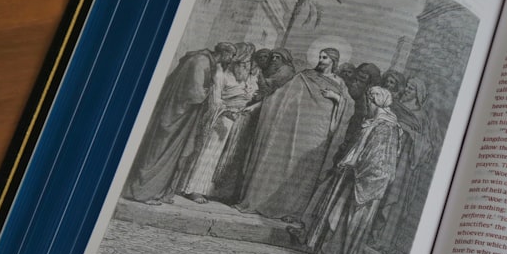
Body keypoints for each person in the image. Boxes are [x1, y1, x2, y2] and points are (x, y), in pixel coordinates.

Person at [294, 86, 401, 254]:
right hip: (355, 178)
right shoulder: (377, 122)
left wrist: (355, 168)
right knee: (338, 218)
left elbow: (379, 160)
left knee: (349, 223)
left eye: (367, 102)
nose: (366, 106)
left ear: (374, 101)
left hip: (366, 183)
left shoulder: (385, 126)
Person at [235, 47, 353, 220]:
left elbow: (348, 106)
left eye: (325, 58)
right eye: (320, 57)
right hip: (298, 128)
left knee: (306, 171)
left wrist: (337, 98)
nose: (321, 60)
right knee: (285, 166)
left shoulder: (340, 83)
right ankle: (270, 203)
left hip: (318, 133)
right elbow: (281, 96)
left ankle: (294, 211)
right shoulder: (305, 76)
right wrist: (256, 107)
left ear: (334, 61)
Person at [123, 42, 236, 205]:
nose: (231, 60)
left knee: (173, 154)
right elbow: (195, 93)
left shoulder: (207, 61)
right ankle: (141, 192)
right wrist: (212, 96)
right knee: (160, 151)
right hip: (176, 114)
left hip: (184, 116)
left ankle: (158, 192)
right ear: (224, 53)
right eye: (231, 56)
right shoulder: (200, 61)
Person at [179, 42, 257, 203]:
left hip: (236, 122)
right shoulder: (221, 74)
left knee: (224, 159)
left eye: (248, 63)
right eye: (243, 63)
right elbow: (215, 100)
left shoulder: (247, 78)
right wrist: (227, 111)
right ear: (236, 62)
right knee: (208, 154)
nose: (246, 67)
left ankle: (212, 191)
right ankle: (193, 189)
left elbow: (251, 95)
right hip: (220, 120)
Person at [372, 76, 438, 254]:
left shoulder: (421, 116)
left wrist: (410, 133)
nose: (407, 91)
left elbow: (427, 144)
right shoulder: (394, 105)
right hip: (384, 155)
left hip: (403, 163)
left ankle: (380, 238)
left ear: (418, 95)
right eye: (407, 87)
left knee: (391, 199)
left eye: (411, 89)